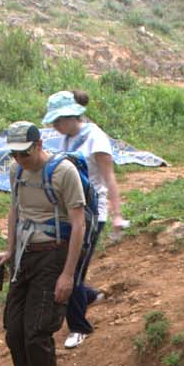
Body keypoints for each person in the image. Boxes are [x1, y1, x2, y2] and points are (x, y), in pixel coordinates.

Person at [0, 121, 83, 366]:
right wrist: (9, 250)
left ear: (39, 144)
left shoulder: (63, 172)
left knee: (36, 332)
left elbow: (79, 224)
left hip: (53, 255)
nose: (20, 160)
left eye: (25, 153)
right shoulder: (17, 172)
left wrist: (68, 275)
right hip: (24, 256)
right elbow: (15, 211)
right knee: (14, 331)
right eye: (15, 154)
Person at [43, 89, 122, 350]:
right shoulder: (67, 138)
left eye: (57, 121)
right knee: (69, 264)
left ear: (71, 116)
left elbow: (109, 178)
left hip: (92, 211)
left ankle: (79, 326)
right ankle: (91, 296)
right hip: (71, 209)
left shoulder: (95, 139)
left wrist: (117, 214)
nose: (54, 127)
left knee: (72, 270)